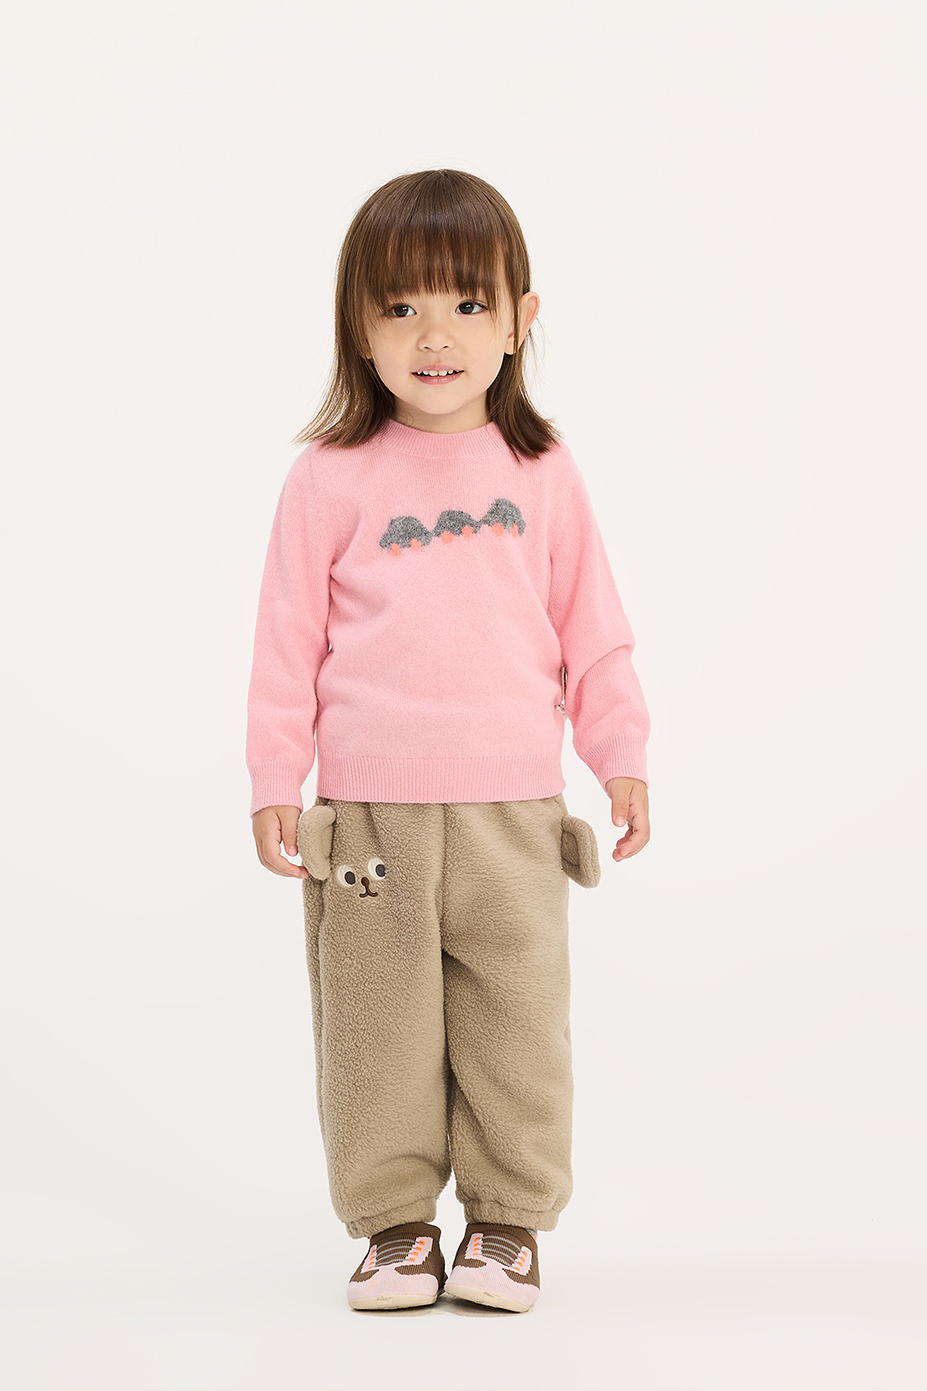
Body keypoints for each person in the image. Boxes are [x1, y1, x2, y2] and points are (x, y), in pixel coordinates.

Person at [246, 168, 651, 1313]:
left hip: (514, 814)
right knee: (374, 1031)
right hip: (366, 821)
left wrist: (620, 754)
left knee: (516, 1024)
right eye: (402, 305)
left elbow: (594, 630)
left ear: (521, 318)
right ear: (358, 326)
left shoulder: (542, 470)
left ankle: (508, 1221)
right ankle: (393, 1227)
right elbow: (285, 641)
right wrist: (274, 775)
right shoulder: (327, 479)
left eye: (468, 303)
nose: (436, 335)